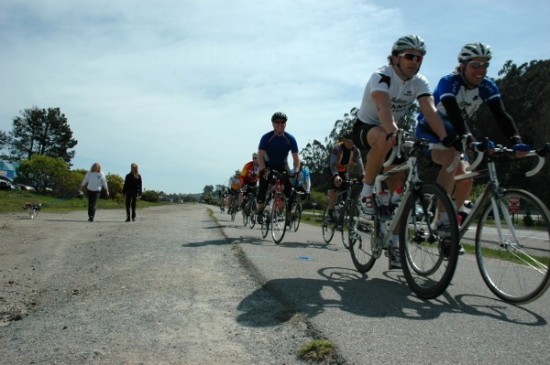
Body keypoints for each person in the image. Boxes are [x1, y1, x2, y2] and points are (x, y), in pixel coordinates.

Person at [415, 42, 530, 251]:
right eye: (475, 64)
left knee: (467, 181)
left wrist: (516, 141)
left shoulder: (487, 86)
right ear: (463, 65)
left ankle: (448, 225)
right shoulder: (449, 82)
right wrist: (468, 138)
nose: (481, 70)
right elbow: (453, 112)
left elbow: (501, 115)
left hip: (457, 135)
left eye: (485, 65)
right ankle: (441, 218)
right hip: (431, 131)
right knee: (450, 159)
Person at [352, 34, 446, 268]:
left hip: (392, 130)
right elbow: (383, 107)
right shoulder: (382, 75)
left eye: (420, 57)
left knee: (401, 188)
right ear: (395, 58)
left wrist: (446, 138)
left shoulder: (419, 82)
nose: (415, 61)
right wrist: (393, 130)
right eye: (410, 56)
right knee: (384, 138)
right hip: (367, 127)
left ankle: (393, 239)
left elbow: (430, 110)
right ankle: (366, 193)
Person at [256, 112, 300, 224]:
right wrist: (263, 168)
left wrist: (296, 170)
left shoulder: (290, 139)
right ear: (273, 124)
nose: (280, 124)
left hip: (282, 165)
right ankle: (260, 212)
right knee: (263, 189)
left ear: (285, 124)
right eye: (277, 122)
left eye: (282, 122)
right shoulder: (266, 137)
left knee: (290, 188)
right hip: (267, 165)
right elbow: (260, 156)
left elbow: (296, 158)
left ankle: (287, 214)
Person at [325, 132, 364, 223]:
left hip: (343, 170)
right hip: (332, 169)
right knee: (334, 188)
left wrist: (362, 175)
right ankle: (330, 214)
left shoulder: (355, 150)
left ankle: (341, 214)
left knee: (347, 190)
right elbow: (333, 163)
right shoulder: (337, 148)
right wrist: (335, 175)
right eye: (348, 141)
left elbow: (359, 163)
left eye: (352, 141)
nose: (350, 143)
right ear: (344, 140)